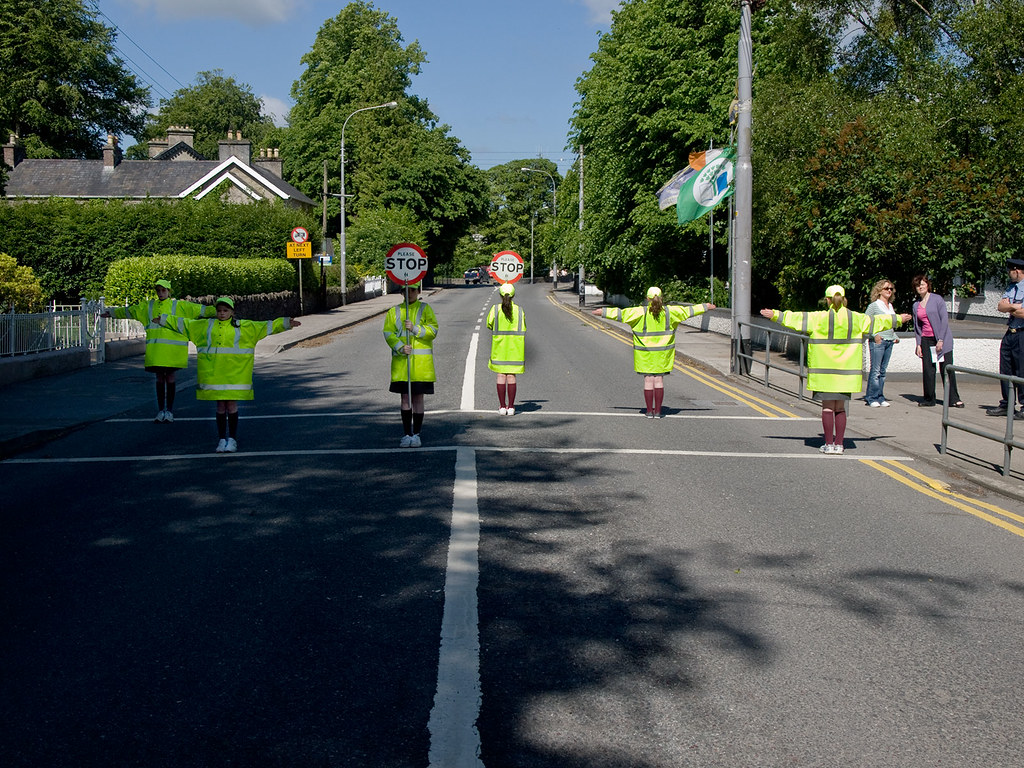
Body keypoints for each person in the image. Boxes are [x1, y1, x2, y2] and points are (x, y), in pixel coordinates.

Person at [760, 285, 910, 455]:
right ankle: (839, 445)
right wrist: (898, 318)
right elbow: (878, 321)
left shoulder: (819, 318)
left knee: (827, 409)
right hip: (846, 374)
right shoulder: (855, 319)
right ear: (844, 299)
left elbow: (796, 318)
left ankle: (829, 444)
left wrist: (775, 315)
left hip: (824, 374)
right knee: (840, 409)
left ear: (828, 300)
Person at [157, 297, 299, 453]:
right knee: (220, 406)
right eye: (219, 311)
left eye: (225, 310)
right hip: (215, 375)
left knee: (230, 405)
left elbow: (265, 326)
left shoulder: (243, 326)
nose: (222, 313)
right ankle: (221, 439)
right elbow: (184, 324)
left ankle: (232, 439)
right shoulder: (205, 326)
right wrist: (164, 320)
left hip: (234, 375)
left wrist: (285, 323)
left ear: (232, 312)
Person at [99, 278, 215, 423]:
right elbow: (130, 311)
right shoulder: (149, 306)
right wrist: (112, 313)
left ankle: (169, 410)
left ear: (169, 291)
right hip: (157, 352)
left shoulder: (180, 306)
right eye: (158, 290)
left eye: (163, 290)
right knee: (160, 379)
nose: (160, 293)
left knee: (170, 378)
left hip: (173, 352)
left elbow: (202, 310)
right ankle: (161, 410)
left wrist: (222, 309)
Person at [592, 287, 714, 418]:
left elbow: (619, 313)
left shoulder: (639, 312)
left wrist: (602, 311)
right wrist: (706, 306)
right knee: (659, 380)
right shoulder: (670, 312)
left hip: (644, 354)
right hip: (663, 354)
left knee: (648, 381)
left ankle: (649, 411)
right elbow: (689, 311)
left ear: (647, 298)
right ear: (662, 298)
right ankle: (658, 411)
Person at [382, 283, 438, 447]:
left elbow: (433, 331)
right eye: (406, 291)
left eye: (413, 290)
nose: (410, 293)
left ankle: (417, 434)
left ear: (418, 291)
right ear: (402, 293)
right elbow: (388, 332)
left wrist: (415, 329)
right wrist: (400, 347)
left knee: (418, 398)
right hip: (402, 365)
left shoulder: (425, 308)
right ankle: (407, 434)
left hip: (421, 366)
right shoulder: (394, 311)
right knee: (405, 398)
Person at [911, 274, 963, 408]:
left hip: (941, 338)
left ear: (928, 285)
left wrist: (941, 340)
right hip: (926, 340)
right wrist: (918, 344)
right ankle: (929, 399)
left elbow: (944, 320)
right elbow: (917, 327)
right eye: (918, 285)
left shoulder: (937, 299)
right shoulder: (916, 305)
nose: (920, 286)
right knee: (928, 370)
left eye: (923, 284)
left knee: (947, 368)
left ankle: (954, 399)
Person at [986, 258, 1024, 419]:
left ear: (1017, 270)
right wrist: (1015, 307)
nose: (1008, 274)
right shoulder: (1011, 287)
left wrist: (1011, 308)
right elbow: (1000, 307)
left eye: (1010, 271)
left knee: (1021, 371)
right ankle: (1007, 404)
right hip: (1011, 332)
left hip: (1023, 333)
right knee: (1005, 369)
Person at [486, 282, 526, 415]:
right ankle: (512, 407)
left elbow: (489, 324)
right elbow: (524, 327)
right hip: (515, 349)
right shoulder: (520, 310)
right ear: (514, 295)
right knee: (511, 376)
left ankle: (502, 407)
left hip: (500, 348)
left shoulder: (495, 309)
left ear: (500, 295)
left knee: (501, 375)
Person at [864, 279, 900, 408]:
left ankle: (880, 396)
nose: (889, 291)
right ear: (879, 291)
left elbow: (890, 325)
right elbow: (866, 322)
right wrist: (875, 335)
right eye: (886, 288)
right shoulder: (874, 306)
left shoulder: (890, 306)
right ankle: (871, 397)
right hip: (878, 342)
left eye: (891, 288)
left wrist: (894, 336)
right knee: (876, 370)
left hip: (889, 341)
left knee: (883, 371)